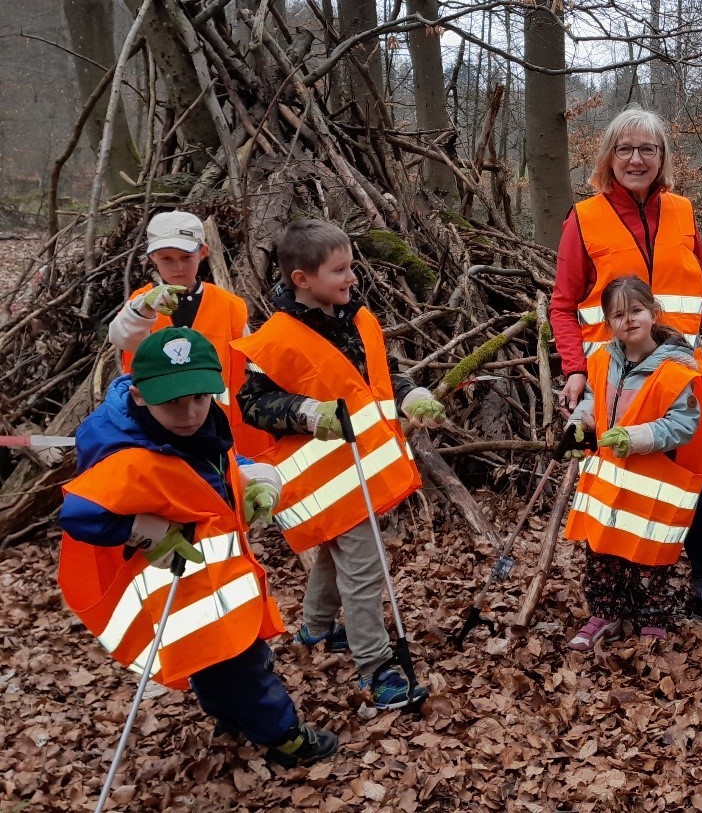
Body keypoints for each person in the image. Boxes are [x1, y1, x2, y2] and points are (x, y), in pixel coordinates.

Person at [58, 328, 336, 767]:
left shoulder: (199, 422)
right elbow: (80, 512)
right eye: (173, 403)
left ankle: (231, 715)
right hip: (181, 580)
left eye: (199, 399)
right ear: (141, 395)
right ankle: (286, 737)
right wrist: (149, 531)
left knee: (212, 660)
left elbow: (214, 463)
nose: (189, 413)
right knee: (245, 664)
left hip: (214, 577)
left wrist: (252, 479)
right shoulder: (125, 449)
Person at [550, 108, 702, 629]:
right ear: (608, 157)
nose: (636, 159)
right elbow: (561, 303)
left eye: (648, 149)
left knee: (701, 487)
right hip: (615, 384)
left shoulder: (684, 214)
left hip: (678, 377)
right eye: (625, 148)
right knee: (621, 489)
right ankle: (619, 603)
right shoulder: (584, 218)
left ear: (663, 158)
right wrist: (575, 369)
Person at [234, 219, 443, 710]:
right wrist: (306, 413)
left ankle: (316, 627)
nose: (352, 278)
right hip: (324, 478)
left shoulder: (357, 317)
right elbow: (252, 404)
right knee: (364, 571)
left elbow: (380, 374)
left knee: (334, 554)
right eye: (339, 271)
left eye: (350, 267)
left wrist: (412, 394)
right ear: (302, 279)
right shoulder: (275, 339)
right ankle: (377, 667)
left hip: (361, 471)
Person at [562, 276, 702, 649]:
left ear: (653, 313)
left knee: (650, 555)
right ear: (608, 322)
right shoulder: (602, 361)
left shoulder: (676, 369)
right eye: (617, 315)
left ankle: (652, 617)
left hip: (652, 484)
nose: (628, 320)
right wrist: (579, 425)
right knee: (601, 552)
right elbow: (594, 402)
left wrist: (636, 438)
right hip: (608, 484)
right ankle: (605, 613)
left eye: (636, 311)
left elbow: (683, 424)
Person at [107, 210, 271, 459]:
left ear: (203, 253)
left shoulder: (229, 306)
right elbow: (120, 336)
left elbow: (251, 367)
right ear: (153, 258)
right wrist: (143, 309)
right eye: (167, 258)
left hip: (221, 430)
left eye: (186, 256)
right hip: (160, 430)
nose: (178, 267)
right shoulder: (141, 305)